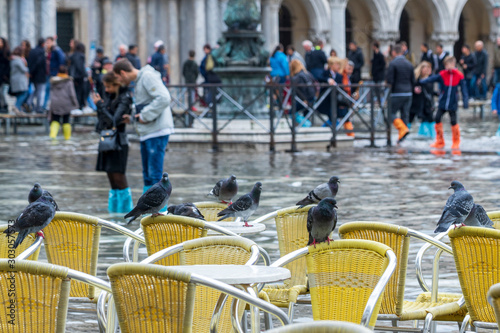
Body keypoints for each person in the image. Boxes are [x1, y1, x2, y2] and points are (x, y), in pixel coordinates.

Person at [113, 59, 174, 194]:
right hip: (148, 131)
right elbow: (146, 102)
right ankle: (150, 211)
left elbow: (164, 98)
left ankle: (161, 211)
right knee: (148, 175)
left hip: (156, 131)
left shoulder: (147, 76)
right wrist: (133, 117)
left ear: (123, 73)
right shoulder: (140, 80)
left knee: (154, 175)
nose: (119, 82)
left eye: (118, 78)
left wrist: (144, 116)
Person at [93, 72, 133, 213]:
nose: (107, 90)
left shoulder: (125, 98)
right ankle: (114, 215)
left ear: (116, 84)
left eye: (109, 87)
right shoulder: (109, 97)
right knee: (111, 179)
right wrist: (100, 106)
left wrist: (100, 106)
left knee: (119, 178)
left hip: (118, 142)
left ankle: (126, 213)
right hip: (107, 141)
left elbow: (113, 121)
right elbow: (103, 120)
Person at [421, 56, 468, 150]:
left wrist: (465, 101)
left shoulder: (459, 75)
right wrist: (421, 81)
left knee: (453, 121)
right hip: (443, 101)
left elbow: (464, 89)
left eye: (448, 64)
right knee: (437, 118)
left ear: (453, 64)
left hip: (452, 102)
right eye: (446, 65)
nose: (447, 66)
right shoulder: (442, 74)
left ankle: (456, 141)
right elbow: (432, 79)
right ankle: (440, 140)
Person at [386, 43, 415, 143]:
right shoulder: (409, 64)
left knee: (390, 113)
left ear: (394, 52)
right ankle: (402, 138)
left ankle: (402, 129)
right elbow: (413, 80)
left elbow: (390, 80)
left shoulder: (393, 64)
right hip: (408, 93)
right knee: (405, 114)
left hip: (397, 93)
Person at [48, 65, 79, 140]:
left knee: (55, 120)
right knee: (66, 120)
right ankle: (67, 138)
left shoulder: (53, 81)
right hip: (66, 103)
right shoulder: (69, 81)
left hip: (55, 103)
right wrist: (75, 104)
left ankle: (53, 137)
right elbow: (72, 94)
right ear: (66, 72)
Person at [410, 61, 435, 138]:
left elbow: (430, 92)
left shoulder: (430, 79)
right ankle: (404, 134)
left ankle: (431, 136)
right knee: (410, 118)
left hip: (426, 104)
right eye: (425, 68)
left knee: (429, 119)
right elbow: (411, 87)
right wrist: (414, 89)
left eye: (428, 68)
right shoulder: (416, 79)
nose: (427, 70)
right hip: (415, 102)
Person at [289, 59, 315, 127]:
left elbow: (300, 90)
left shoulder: (297, 77)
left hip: (304, 99)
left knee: (291, 113)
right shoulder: (308, 74)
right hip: (312, 98)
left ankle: (307, 125)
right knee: (306, 115)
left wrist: (304, 99)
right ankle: (306, 126)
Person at [44, 36, 66, 110]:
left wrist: (59, 72)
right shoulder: (48, 51)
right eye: (46, 42)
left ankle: (50, 106)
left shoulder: (56, 50)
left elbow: (61, 61)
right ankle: (45, 106)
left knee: (53, 90)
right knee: (47, 90)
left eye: (49, 42)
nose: (47, 44)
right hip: (49, 73)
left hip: (54, 73)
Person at [27, 38, 47, 113]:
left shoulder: (32, 51)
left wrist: (31, 72)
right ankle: (38, 107)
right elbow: (38, 63)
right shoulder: (41, 52)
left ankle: (29, 102)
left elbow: (30, 62)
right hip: (40, 75)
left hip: (33, 75)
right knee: (40, 91)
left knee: (36, 90)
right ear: (43, 44)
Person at [9, 47, 30, 113]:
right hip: (20, 80)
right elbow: (24, 69)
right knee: (25, 92)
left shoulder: (12, 59)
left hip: (14, 80)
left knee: (19, 94)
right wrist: (25, 63)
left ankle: (19, 109)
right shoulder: (18, 60)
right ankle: (16, 106)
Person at [68, 42, 87, 109]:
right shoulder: (81, 56)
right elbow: (80, 67)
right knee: (80, 92)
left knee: (75, 92)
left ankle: (75, 105)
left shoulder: (73, 55)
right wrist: (85, 74)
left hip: (73, 77)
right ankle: (79, 106)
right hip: (79, 77)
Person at [0, 37, 10, 114]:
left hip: (4, 76)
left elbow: (8, 65)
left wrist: (6, 75)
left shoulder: (6, 52)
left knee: (3, 93)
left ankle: (5, 106)